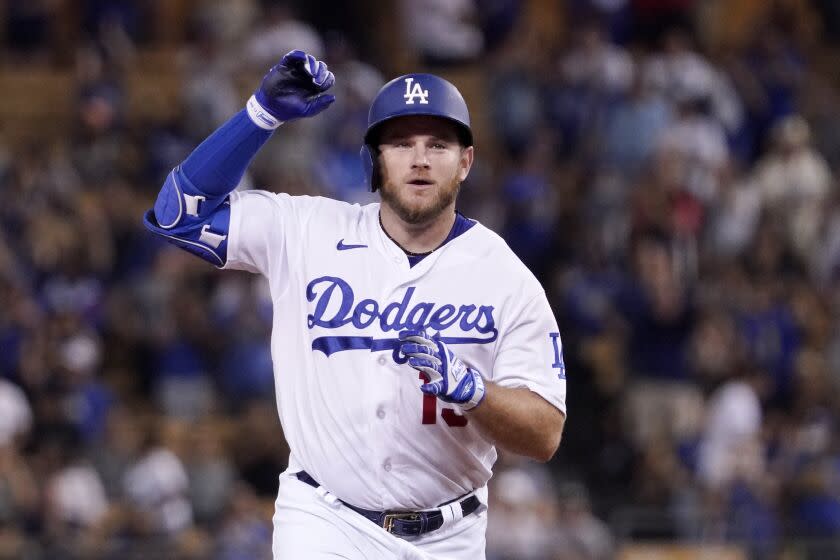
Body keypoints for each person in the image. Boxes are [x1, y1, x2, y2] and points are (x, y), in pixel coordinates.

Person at [143, 49, 567, 559]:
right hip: (325, 519)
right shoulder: (306, 231)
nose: (420, 159)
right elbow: (177, 217)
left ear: (466, 162)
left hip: (449, 538)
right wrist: (260, 115)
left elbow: (544, 432)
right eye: (400, 143)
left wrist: (476, 391)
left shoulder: (505, 277)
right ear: (373, 160)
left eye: (438, 144)